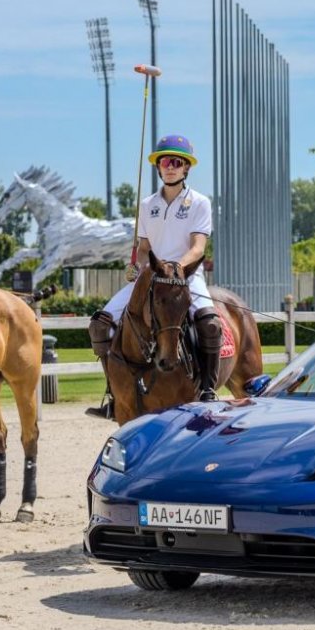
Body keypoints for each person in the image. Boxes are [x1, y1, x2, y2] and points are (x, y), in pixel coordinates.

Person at [87, 134, 223, 418]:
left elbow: (198, 247)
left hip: (185, 276)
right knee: (100, 326)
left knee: (210, 325)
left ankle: (207, 389)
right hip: (150, 277)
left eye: (176, 162)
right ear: (158, 167)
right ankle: (115, 394)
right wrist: (135, 263)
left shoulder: (199, 203)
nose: (170, 166)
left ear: (186, 168)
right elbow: (145, 246)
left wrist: (176, 268)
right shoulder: (148, 204)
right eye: (164, 161)